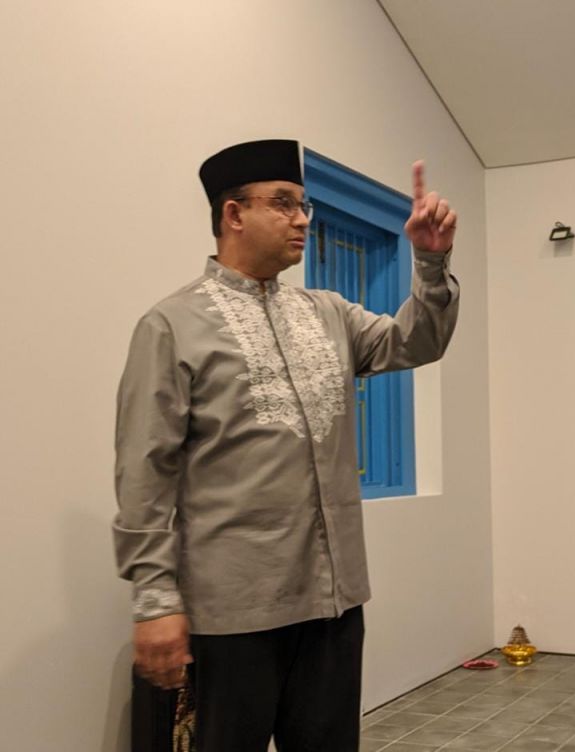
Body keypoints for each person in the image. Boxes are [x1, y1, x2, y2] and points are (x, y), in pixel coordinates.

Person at [112, 139, 459, 751]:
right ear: (233, 214)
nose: (302, 219)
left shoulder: (328, 313)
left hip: (333, 605)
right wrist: (156, 599)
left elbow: (417, 341)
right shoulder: (171, 326)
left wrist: (430, 263)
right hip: (231, 613)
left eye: (304, 205)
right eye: (283, 203)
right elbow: (146, 472)